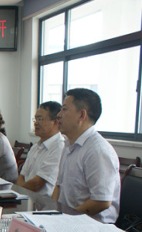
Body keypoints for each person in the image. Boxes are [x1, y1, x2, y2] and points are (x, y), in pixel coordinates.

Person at [52, 88, 120, 223]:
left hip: (93, 226)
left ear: (82, 115)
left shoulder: (98, 150)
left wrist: (67, 219)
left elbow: (101, 201)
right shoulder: (68, 145)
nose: (59, 115)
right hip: (67, 220)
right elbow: (58, 186)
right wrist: (51, 213)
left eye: (64, 109)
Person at [16, 101, 65, 196]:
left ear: (55, 122)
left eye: (40, 119)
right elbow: (22, 176)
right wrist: (19, 194)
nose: (36, 123)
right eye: (35, 119)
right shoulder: (35, 147)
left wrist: (19, 193)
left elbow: (37, 183)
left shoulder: (59, 147)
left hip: (43, 202)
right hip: (26, 197)